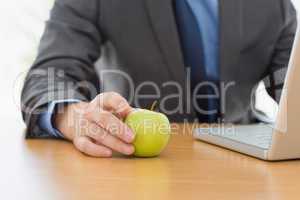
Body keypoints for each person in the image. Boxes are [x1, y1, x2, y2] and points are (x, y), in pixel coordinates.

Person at [21, 0, 297, 157]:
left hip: (246, 162)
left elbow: (289, 82)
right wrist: (72, 115)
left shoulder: (271, 5)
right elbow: (49, 74)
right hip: (135, 162)